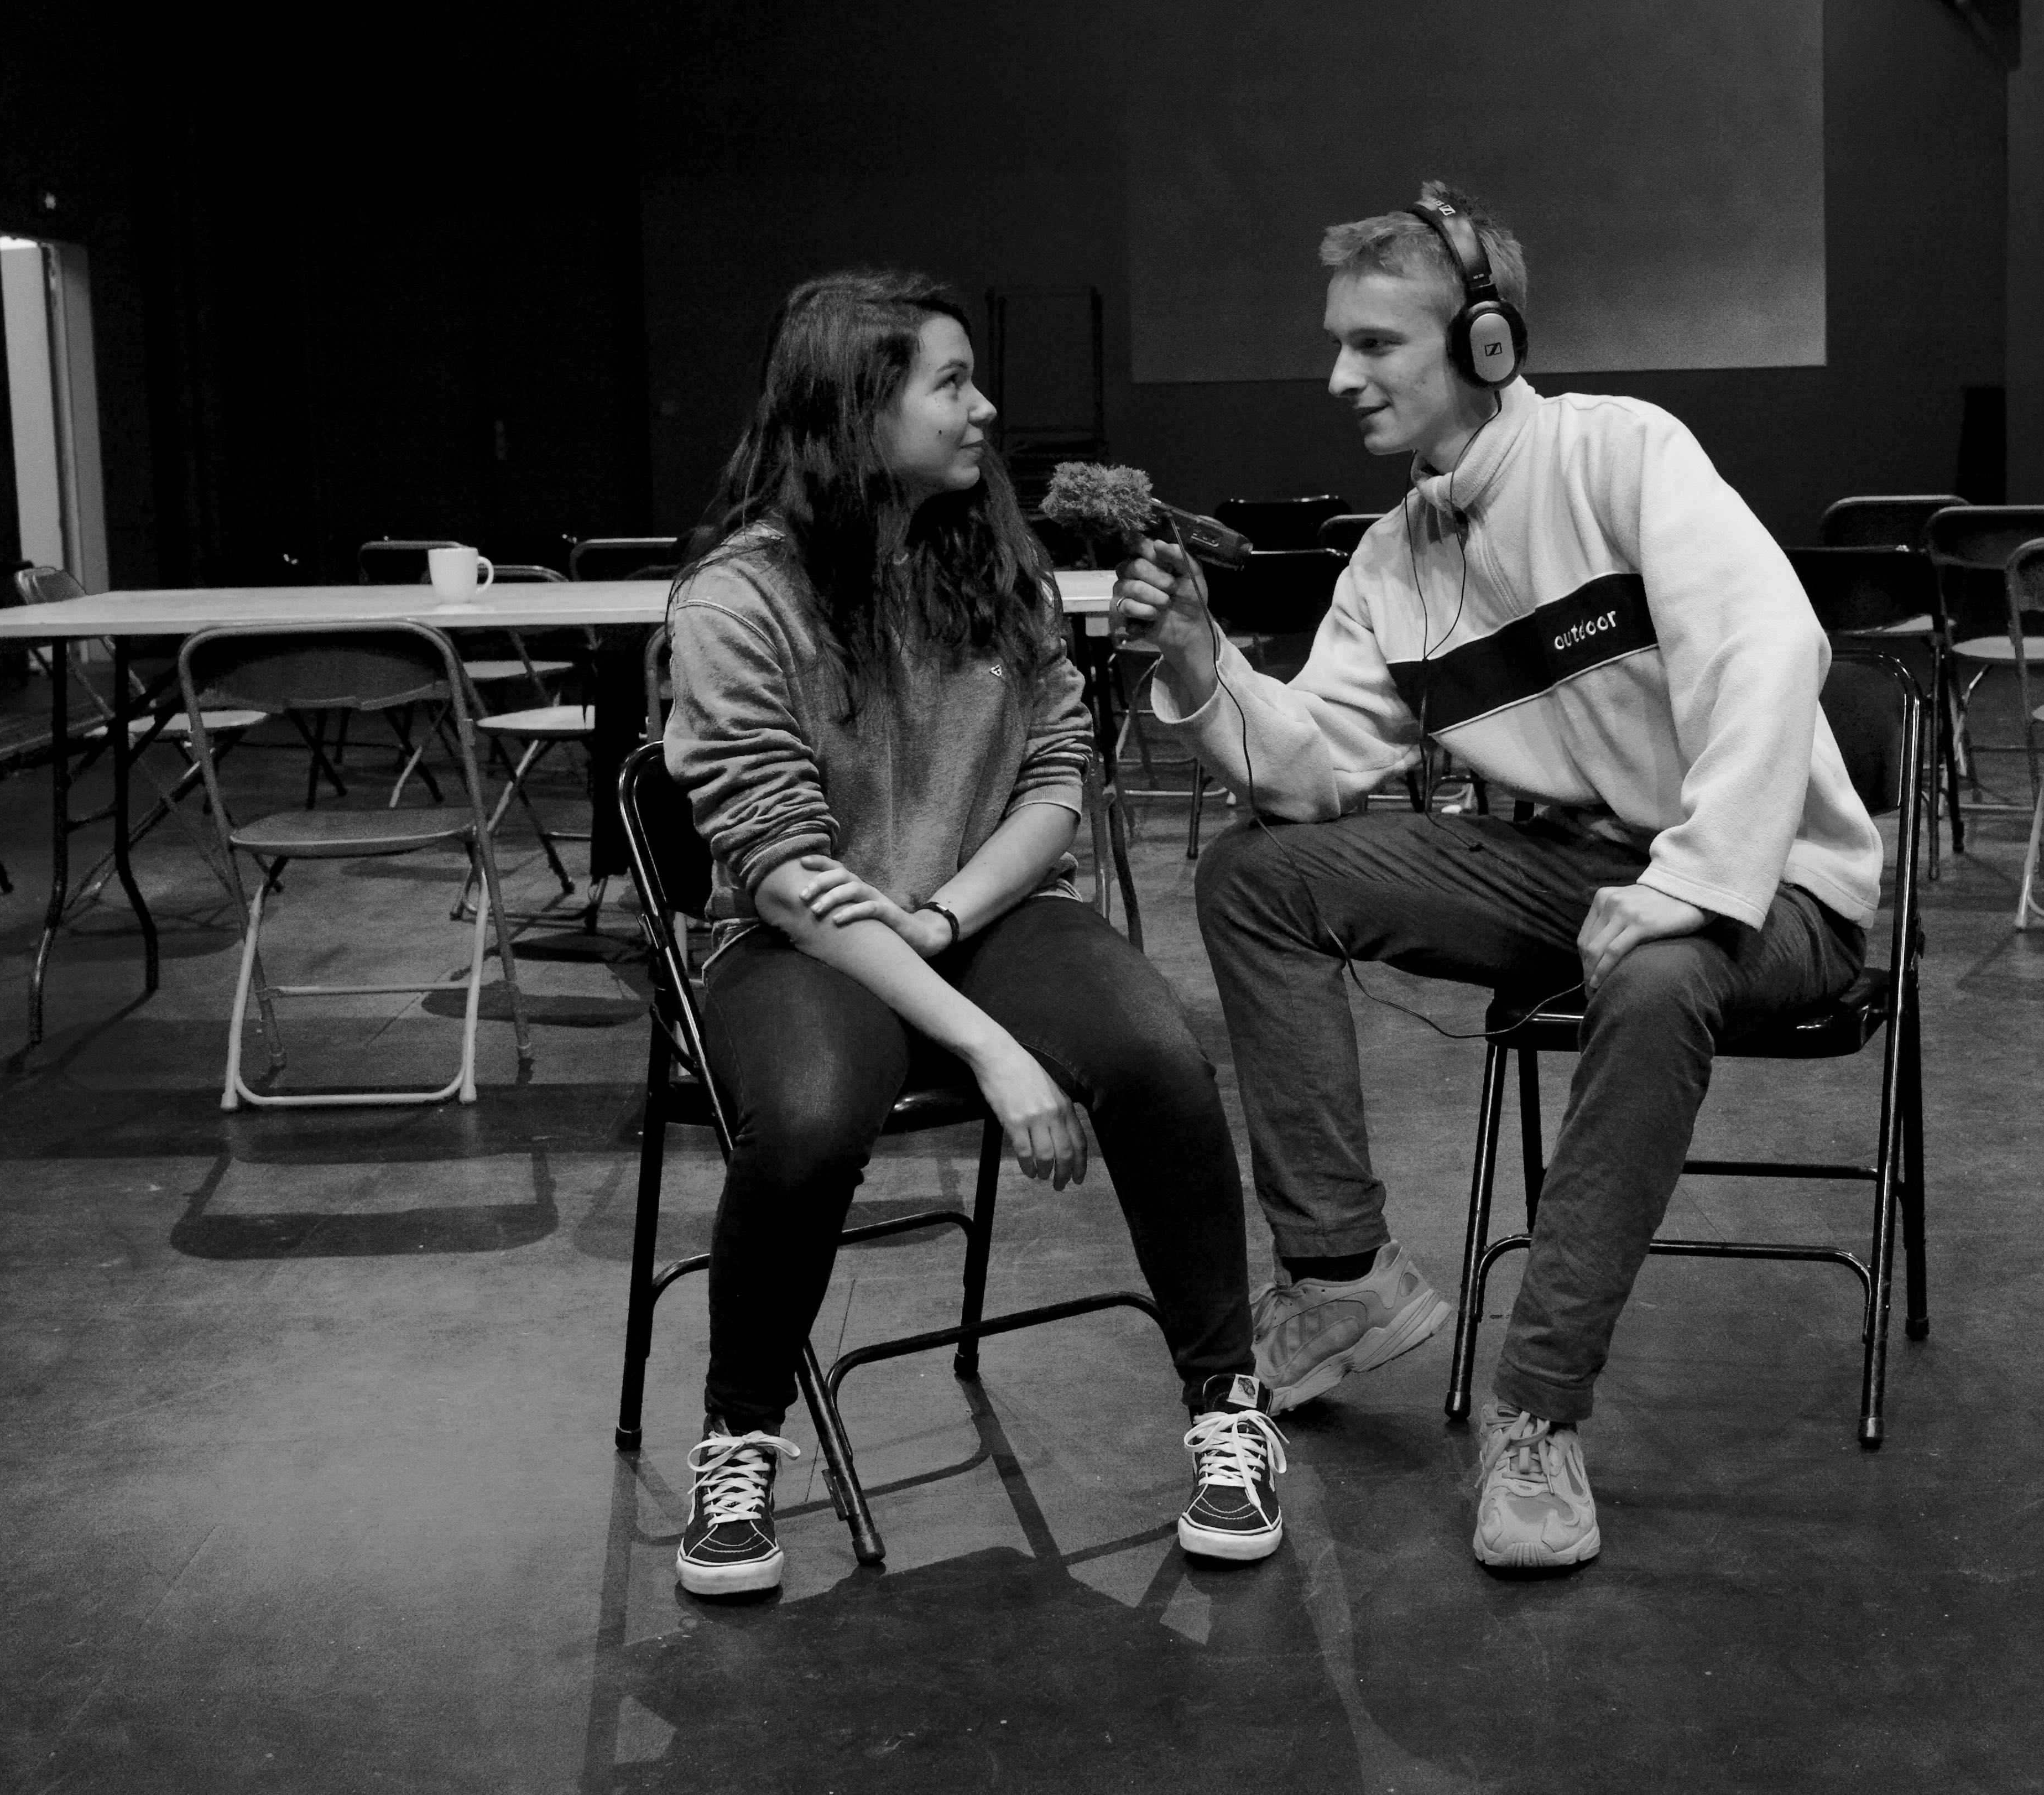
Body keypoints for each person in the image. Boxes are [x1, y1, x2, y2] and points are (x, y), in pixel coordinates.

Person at [1112, 186, 1881, 1572]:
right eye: (1337, 343)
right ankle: (1340, 1280)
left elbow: (1770, 647)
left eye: (1374, 344)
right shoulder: (1391, 562)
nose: (1339, 376)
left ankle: (1536, 1411)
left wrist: (1698, 878)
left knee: (1657, 971)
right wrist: (1195, 658)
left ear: (1484, 343)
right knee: (1256, 878)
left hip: (1774, 894)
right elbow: (1305, 775)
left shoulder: (1623, 454)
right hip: (1570, 875)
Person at [660, 269, 1284, 1598]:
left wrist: (947, 913)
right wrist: (995, 1052)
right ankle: (738, 1441)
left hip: (982, 910)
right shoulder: (738, 601)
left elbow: (1058, 778)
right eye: (950, 383)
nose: (985, 407)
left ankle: (1229, 1410)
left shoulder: (993, 566)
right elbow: (785, 875)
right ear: (855, 410)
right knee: (810, 1121)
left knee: (1160, 1060)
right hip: (801, 942)